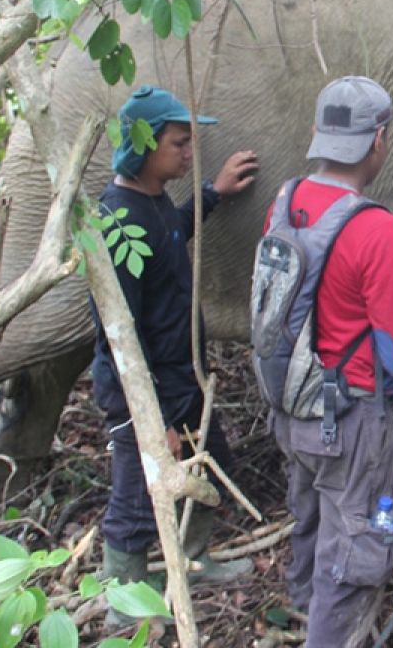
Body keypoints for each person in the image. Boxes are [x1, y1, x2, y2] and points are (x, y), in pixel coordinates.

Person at [267, 76, 393, 648]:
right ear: (379, 141)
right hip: (348, 425)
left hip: (291, 409)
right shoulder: (377, 228)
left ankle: (303, 606)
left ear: (321, 136)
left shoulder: (285, 199)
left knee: (311, 521)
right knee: (353, 552)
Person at [89, 86, 259, 628]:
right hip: (144, 392)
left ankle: (190, 561)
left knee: (211, 468)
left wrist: (212, 193)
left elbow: (169, 238)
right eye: (180, 144)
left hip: (180, 378)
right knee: (137, 502)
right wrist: (151, 420)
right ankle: (125, 610)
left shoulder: (153, 202)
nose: (189, 153)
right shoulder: (117, 221)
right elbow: (120, 333)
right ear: (144, 145)